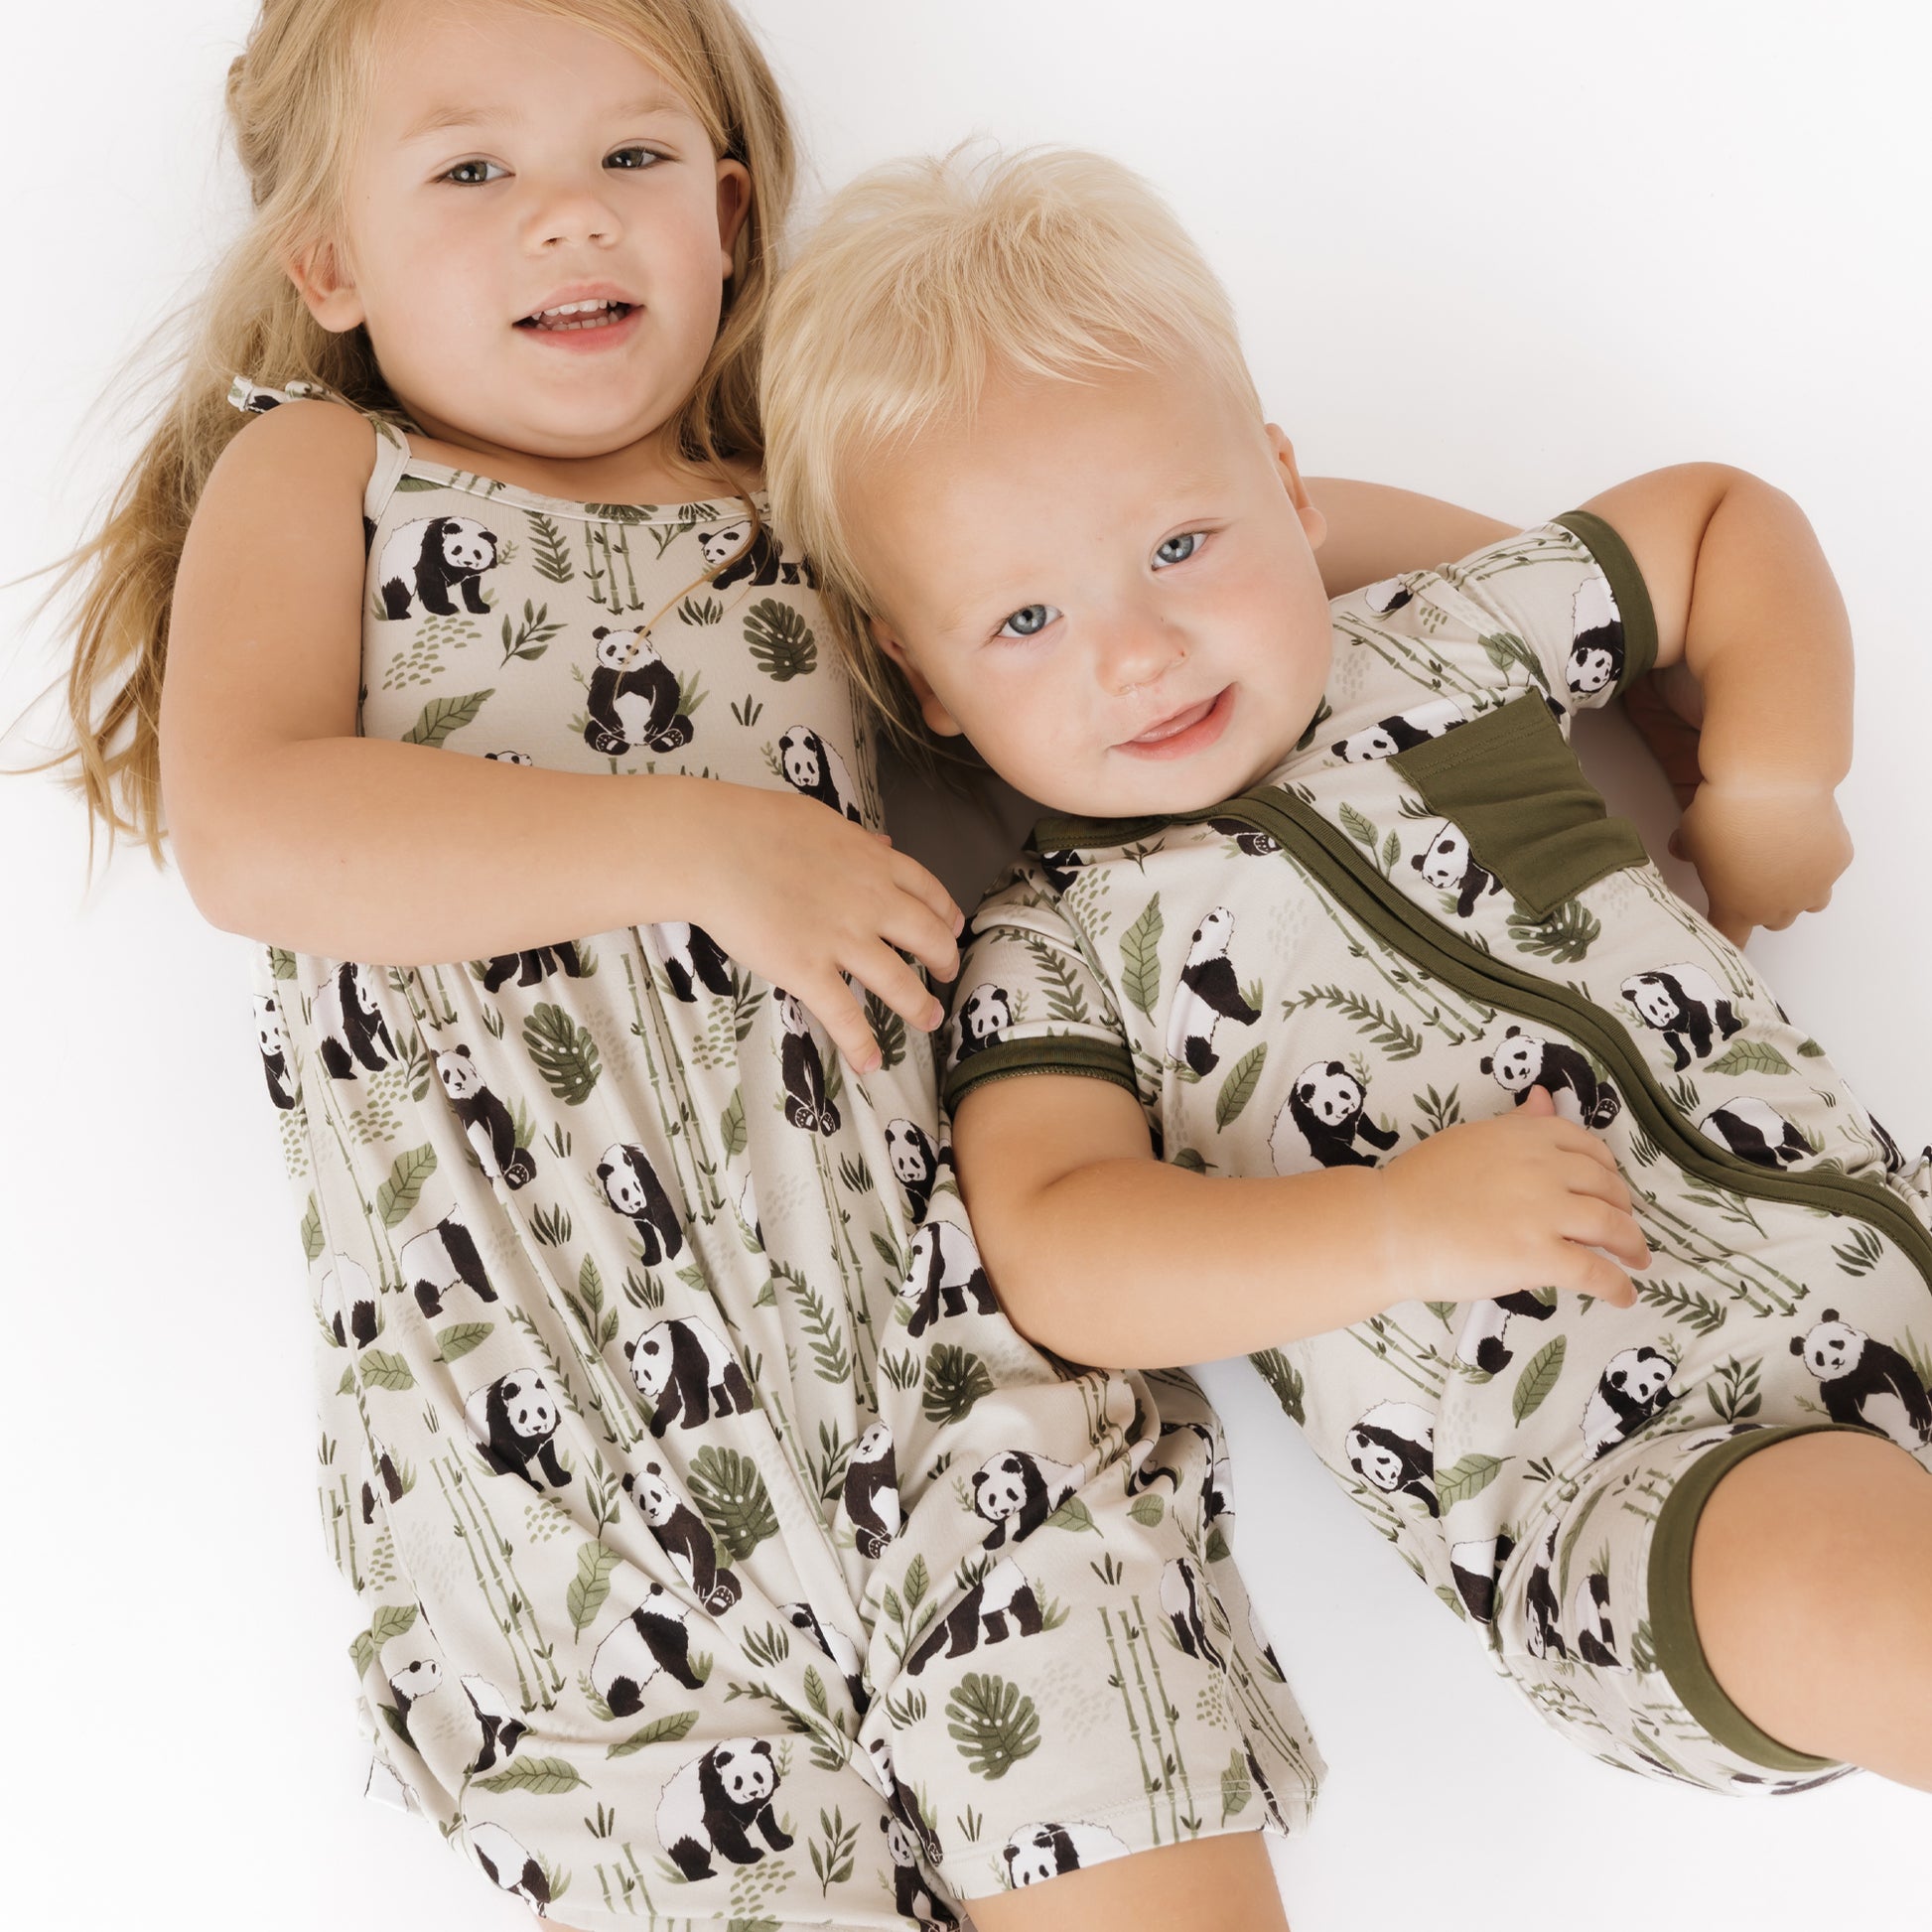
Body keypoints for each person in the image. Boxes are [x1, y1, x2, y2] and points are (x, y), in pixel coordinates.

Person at [30, 8, 1528, 1926]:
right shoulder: (327, 474)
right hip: (569, 1512)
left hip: (959, 1399)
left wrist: (1536, 593)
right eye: (472, 170)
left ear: (728, 216)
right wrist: (699, 844)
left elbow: (1187, 546)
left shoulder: (815, 510)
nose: (569, 220)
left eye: (634, 161)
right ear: (328, 261)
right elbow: (250, 830)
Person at [759, 144, 1932, 1806]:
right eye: (1021, 619)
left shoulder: (1438, 648)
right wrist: (1394, 1227)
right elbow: (1062, 1252)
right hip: (1627, 1484)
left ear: (1291, 494)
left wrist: (1770, 780)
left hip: (1881, 1235)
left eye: (1178, 544)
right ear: (924, 682)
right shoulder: (1051, 945)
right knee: (1866, 1604)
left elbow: (1719, 524)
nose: (1134, 650)